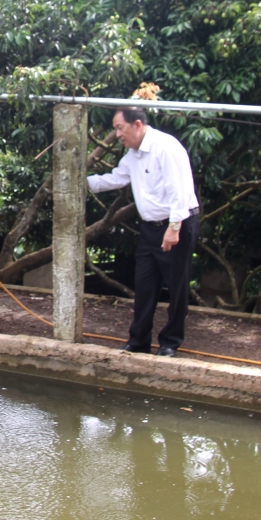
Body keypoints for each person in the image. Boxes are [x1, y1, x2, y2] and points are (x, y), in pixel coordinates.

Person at [88, 107, 200, 357]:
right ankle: (138, 341)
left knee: (177, 285)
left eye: (120, 128)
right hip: (150, 228)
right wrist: (82, 181)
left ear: (137, 124)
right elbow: (117, 178)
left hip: (177, 223)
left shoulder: (166, 148)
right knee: (145, 283)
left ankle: (170, 342)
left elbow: (179, 192)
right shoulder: (133, 155)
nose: (117, 134)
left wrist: (174, 229)